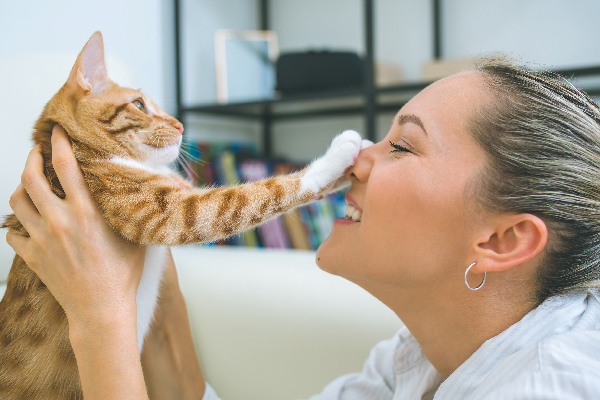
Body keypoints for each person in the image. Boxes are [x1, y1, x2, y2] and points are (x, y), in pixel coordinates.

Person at [6, 59, 600, 399]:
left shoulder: (548, 387)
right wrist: (134, 239)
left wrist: (101, 319)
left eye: (403, 145)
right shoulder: (418, 357)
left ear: (502, 241)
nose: (362, 155)